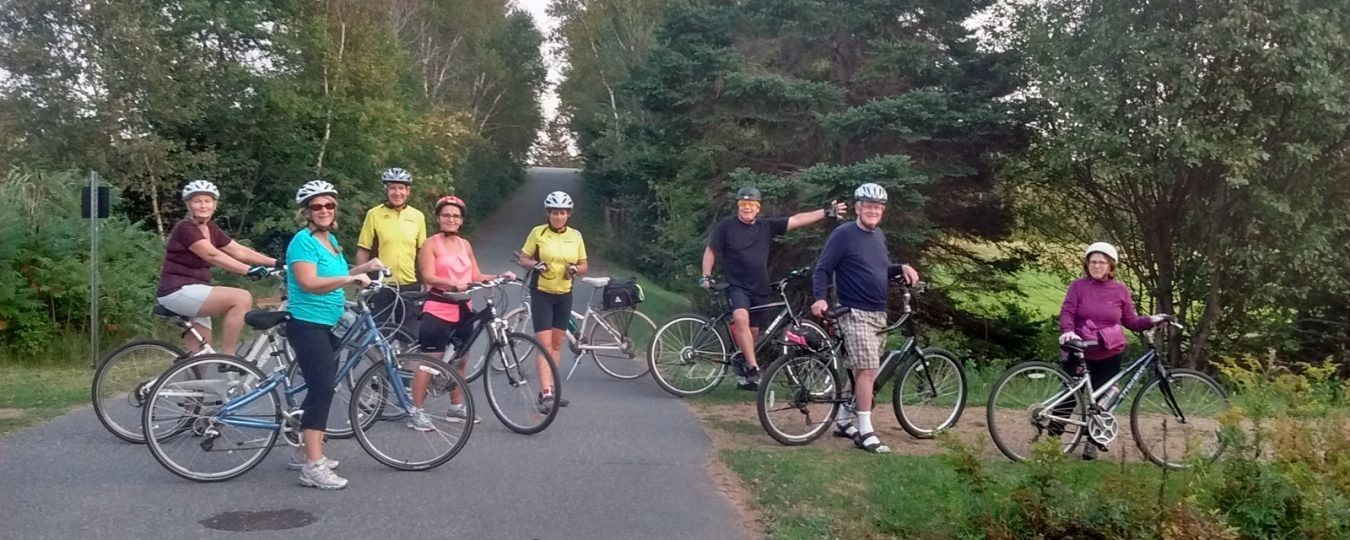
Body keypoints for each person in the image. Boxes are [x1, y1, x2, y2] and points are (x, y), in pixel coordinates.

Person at [285, 179, 386, 489]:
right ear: (307, 212)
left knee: (322, 385)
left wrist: (365, 266)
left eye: (329, 205)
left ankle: (306, 450)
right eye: (317, 206)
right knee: (322, 388)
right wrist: (349, 280)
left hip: (329, 322)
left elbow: (337, 274)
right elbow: (309, 282)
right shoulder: (303, 242)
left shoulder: (330, 240)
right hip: (307, 323)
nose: (325, 210)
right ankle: (313, 467)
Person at [701, 186, 846, 391]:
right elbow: (711, 250)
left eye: (752, 204)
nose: (747, 208)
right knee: (741, 318)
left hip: (759, 288)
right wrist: (705, 276)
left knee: (751, 333)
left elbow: (796, 220)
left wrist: (824, 212)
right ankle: (753, 368)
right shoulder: (727, 226)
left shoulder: (765, 226)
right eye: (743, 204)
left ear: (758, 208)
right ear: (738, 206)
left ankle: (744, 373)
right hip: (736, 285)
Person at [810, 182, 919, 454]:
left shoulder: (879, 236)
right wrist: (820, 298)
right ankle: (866, 432)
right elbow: (823, 269)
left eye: (878, 207)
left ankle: (843, 421)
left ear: (883, 210)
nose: (873, 211)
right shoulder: (844, 234)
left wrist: (901, 267)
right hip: (853, 311)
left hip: (877, 313)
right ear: (858, 207)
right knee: (869, 370)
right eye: (868, 206)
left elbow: (879, 269)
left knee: (862, 370)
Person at [407, 195, 516, 430]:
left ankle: (455, 408)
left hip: (463, 307)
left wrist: (499, 276)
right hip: (438, 307)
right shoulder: (430, 244)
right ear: (438, 218)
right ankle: (416, 411)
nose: (451, 219)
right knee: (430, 362)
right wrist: (450, 283)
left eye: (455, 216)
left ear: (461, 220)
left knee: (461, 359)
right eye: (446, 215)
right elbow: (427, 276)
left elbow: (475, 276)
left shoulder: (465, 244)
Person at [1056, 242, 1168, 460]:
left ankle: (1093, 442)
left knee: (1104, 399)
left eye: (1102, 262)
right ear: (1087, 264)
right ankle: (1051, 439)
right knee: (1070, 396)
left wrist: (1151, 320)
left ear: (1110, 266)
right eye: (1093, 262)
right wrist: (1068, 332)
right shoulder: (1078, 287)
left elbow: (1130, 321)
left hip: (1109, 352)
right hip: (1081, 349)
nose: (1097, 266)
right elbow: (1067, 312)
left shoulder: (1120, 290)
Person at [156, 180, 278, 355]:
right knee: (241, 298)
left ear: (215, 205)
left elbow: (239, 250)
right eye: (197, 201)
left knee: (201, 355)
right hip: (177, 290)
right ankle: (229, 357)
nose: (203, 205)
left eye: (207, 201)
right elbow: (212, 255)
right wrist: (248, 270)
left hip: (196, 292)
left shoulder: (210, 228)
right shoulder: (185, 228)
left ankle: (190, 382)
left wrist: (276, 262)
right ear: (188, 205)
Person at [514, 190, 586, 413]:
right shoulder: (538, 233)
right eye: (555, 212)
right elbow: (524, 259)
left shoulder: (576, 236)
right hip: (542, 293)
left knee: (556, 344)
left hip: (564, 293)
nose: (558, 216)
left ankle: (550, 389)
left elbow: (584, 266)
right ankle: (546, 393)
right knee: (544, 345)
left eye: (562, 212)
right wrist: (535, 265)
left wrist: (575, 269)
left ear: (568, 214)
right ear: (549, 213)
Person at [357, 167, 427, 342]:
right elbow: (363, 250)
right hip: (381, 285)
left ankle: (405, 369)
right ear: (386, 190)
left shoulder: (417, 216)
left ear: (408, 191)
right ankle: (380, 369)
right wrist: (362, 278)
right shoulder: (374, 214)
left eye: (401, 188)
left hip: (410, 284)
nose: (397, 192)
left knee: (410, 336)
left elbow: (422, 253)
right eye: (392, 188)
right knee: (381, 336)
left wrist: (426, 281)